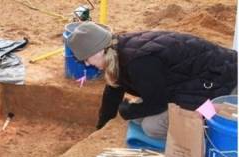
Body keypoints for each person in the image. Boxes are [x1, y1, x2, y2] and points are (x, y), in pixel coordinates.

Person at [67, 22, 237, 138]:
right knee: (139, 116)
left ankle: (213, 123)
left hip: (220, 81)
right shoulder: (119, 49)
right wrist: (101, 126)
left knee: (152, 127)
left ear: (98, 51)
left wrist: (128, 110)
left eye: (86, 59)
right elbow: (113, 90)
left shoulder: (138, 62)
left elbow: (158, 103)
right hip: (187, 81)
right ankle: (203, 117)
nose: (87, 64)